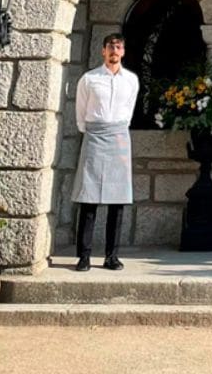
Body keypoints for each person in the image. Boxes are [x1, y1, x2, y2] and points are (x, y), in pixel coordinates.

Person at [72, 32, 139, 272]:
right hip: (94, 135)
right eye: (110, 47)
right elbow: (80, 112)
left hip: (119, 135)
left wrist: (117, 129)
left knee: (117, 200)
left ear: (123, 52)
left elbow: (129, 110)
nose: (114, 51)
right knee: (88, 198)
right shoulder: (89, 79)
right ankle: (84, 256)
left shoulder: (131, 80)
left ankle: (112, 256)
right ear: (103, 51)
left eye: (118, 47)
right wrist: (90, 131)